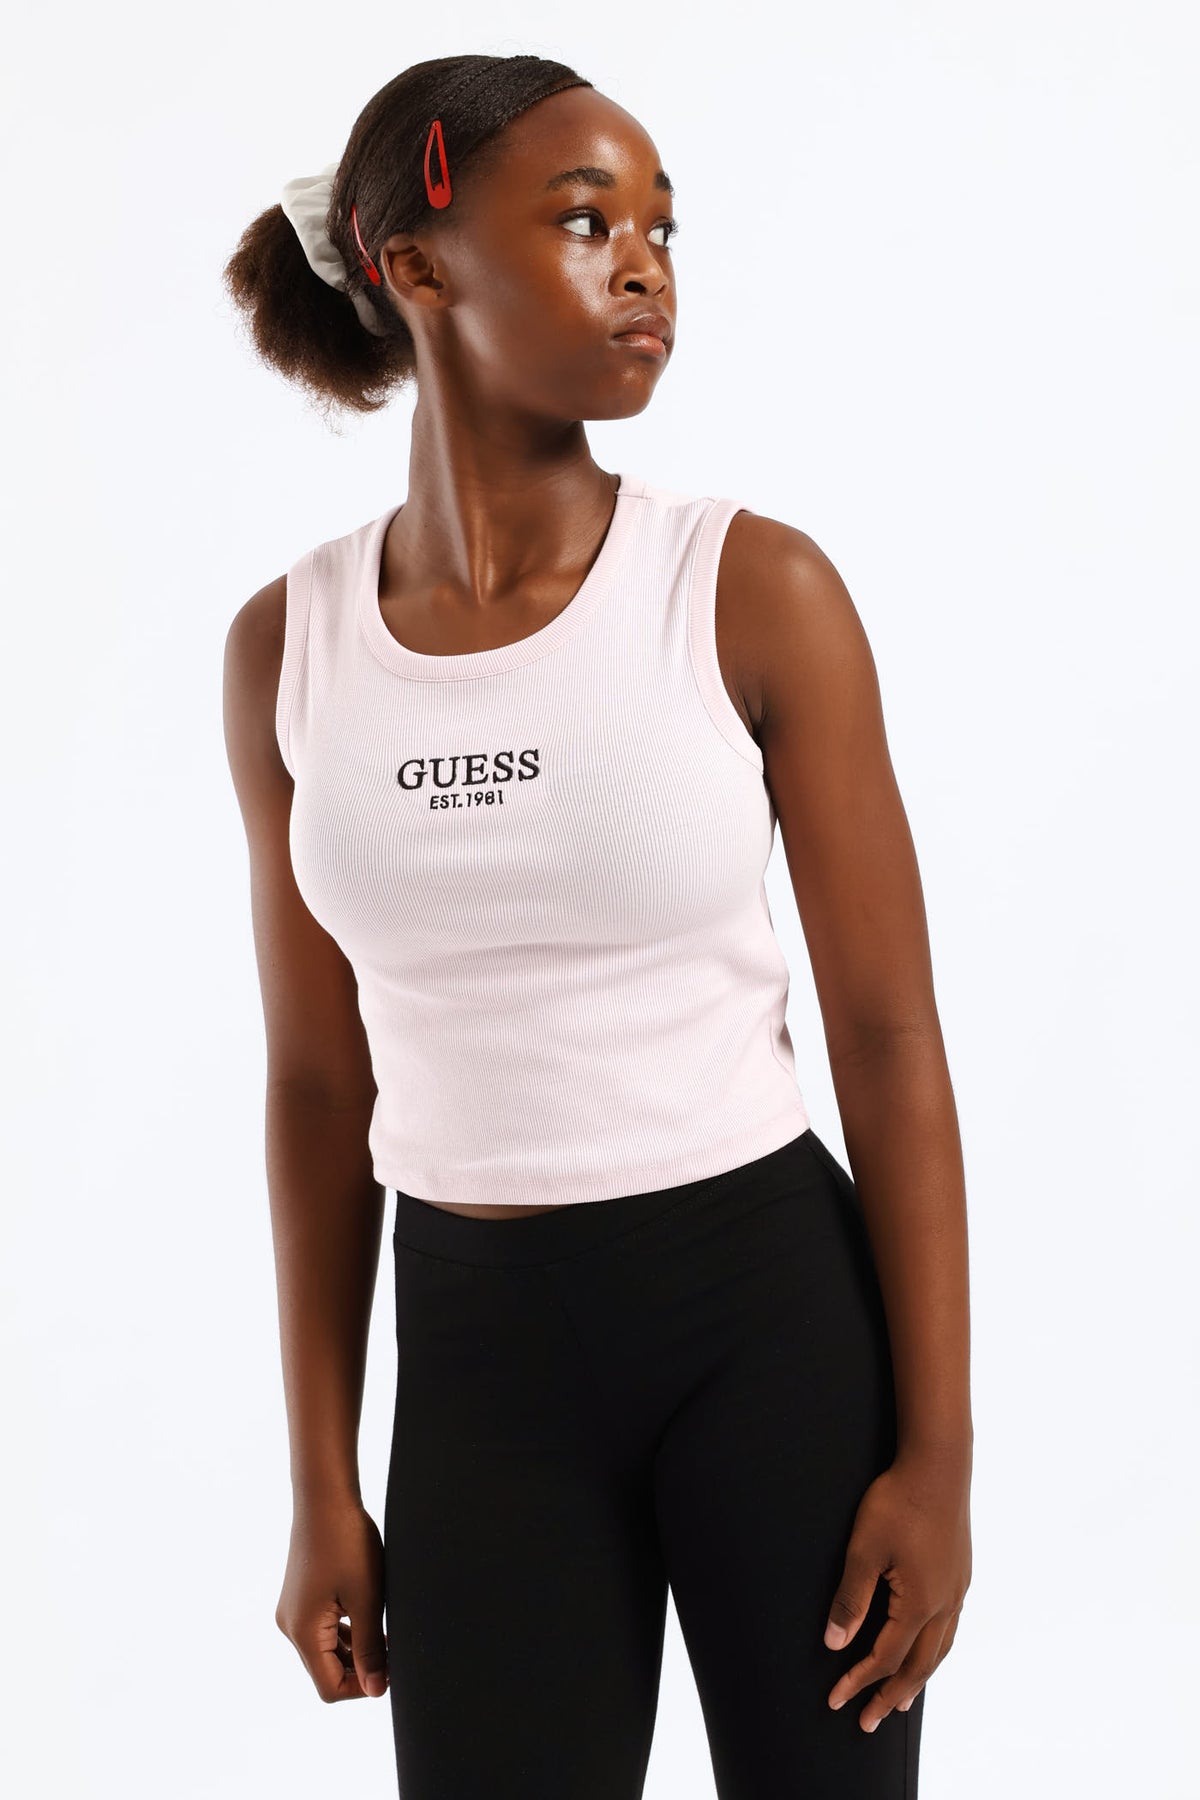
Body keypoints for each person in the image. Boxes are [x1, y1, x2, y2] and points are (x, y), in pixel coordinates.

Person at [221, 51, 972, 1800]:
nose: (644, 265)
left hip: (769, 1328)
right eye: (583, 222)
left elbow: (888, 1037)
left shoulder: (750, 588)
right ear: (416, 265)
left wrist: (938, 1455)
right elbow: (320, 1086)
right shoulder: (289, 648)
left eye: (660, 229)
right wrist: (322, 1478)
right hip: (478, 1361)